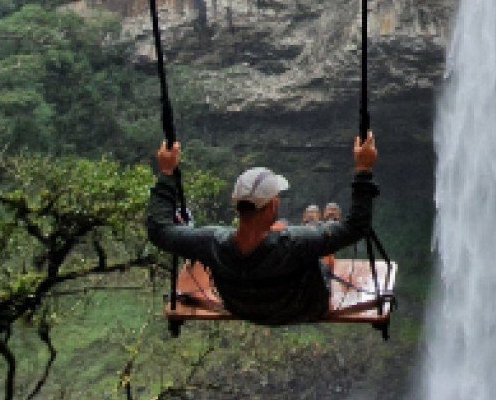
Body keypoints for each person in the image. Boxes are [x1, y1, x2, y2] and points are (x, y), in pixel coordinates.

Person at [147, 133, 379, 325]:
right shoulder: (295, 243)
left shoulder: (211, 242)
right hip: (305, 308)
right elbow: (356, 227)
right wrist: (363, 169)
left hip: (243, 308)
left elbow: (160, 230)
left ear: (236, 206)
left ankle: (317, 227)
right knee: (319, 248)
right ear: (272, 207)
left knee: (287, 232)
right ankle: (321, 227)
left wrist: (167, 173)